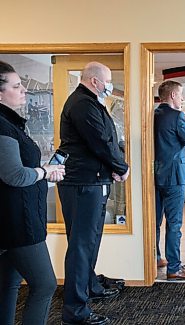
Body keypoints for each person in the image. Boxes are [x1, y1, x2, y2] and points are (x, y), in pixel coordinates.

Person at [58, 62, 129, 325]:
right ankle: (75, 311)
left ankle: (90, 287)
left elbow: (106, 141)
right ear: (96, 81)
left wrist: (112, 167)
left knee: (90, 242)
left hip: (93, 181)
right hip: (82, 184)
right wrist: (121, 167)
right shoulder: (82, 104)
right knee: (80, 247)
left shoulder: (90, 102)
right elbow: (100, 142)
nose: (110, 86)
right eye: (108, 81)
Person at [0, 61, 65, 325]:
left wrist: (46, 175)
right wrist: (44, 171)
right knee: (45, 285)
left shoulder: (11, 124)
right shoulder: (3, 128)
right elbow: (14, 175)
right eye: (16, 86)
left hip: (16, 217)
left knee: (8, 284)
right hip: (18, 223)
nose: (24, 90)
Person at [154, 80, 185, 280]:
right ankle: (174, 268)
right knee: (174, 223)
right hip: (174, 177)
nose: (182, 98)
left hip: (154, 175)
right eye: (180, 95)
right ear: (172, 95)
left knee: (153, 222)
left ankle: (155, 257)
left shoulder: (152, 115)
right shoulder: (177, 116)